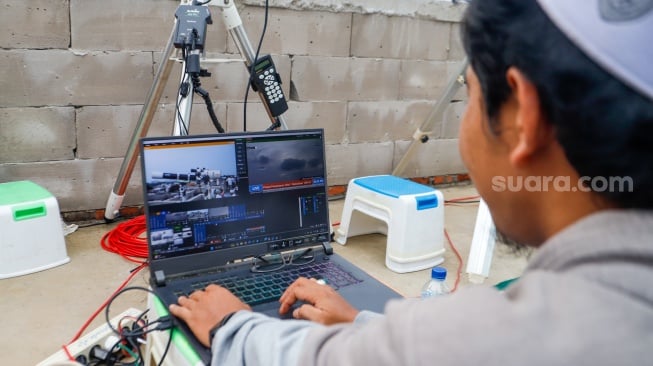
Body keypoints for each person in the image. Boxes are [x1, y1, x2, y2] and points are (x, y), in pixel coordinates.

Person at [169, 0, 653, 364]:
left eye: (469, 99)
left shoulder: (522, 336)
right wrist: (363, 323)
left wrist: (232, 325)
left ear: (523, 117)